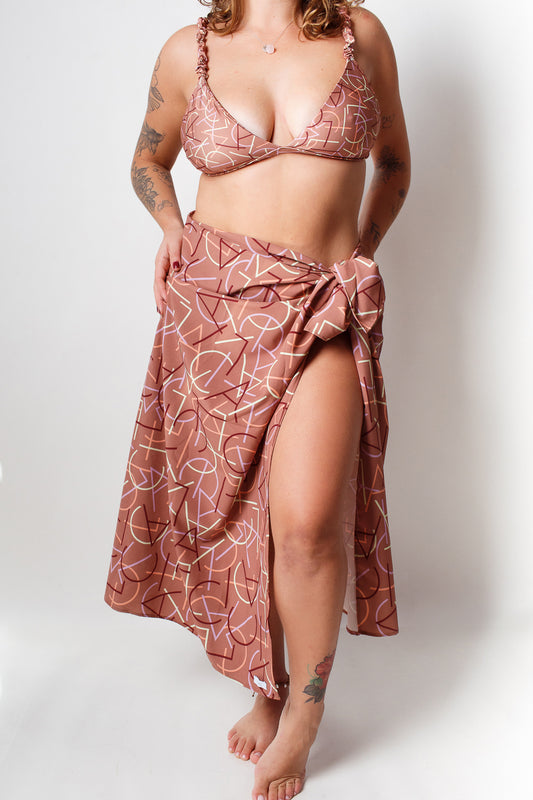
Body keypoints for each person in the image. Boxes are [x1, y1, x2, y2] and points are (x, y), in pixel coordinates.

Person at [104, 1, 410, 798]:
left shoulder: (358, 36)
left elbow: (394, 164)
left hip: (319, 303)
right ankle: (263, 683)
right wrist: (170, 228)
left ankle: (304, 712)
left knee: (306, 521)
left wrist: (359, 257)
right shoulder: (190, 50)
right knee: (240, 512)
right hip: (213, 308)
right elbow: (148, 160)